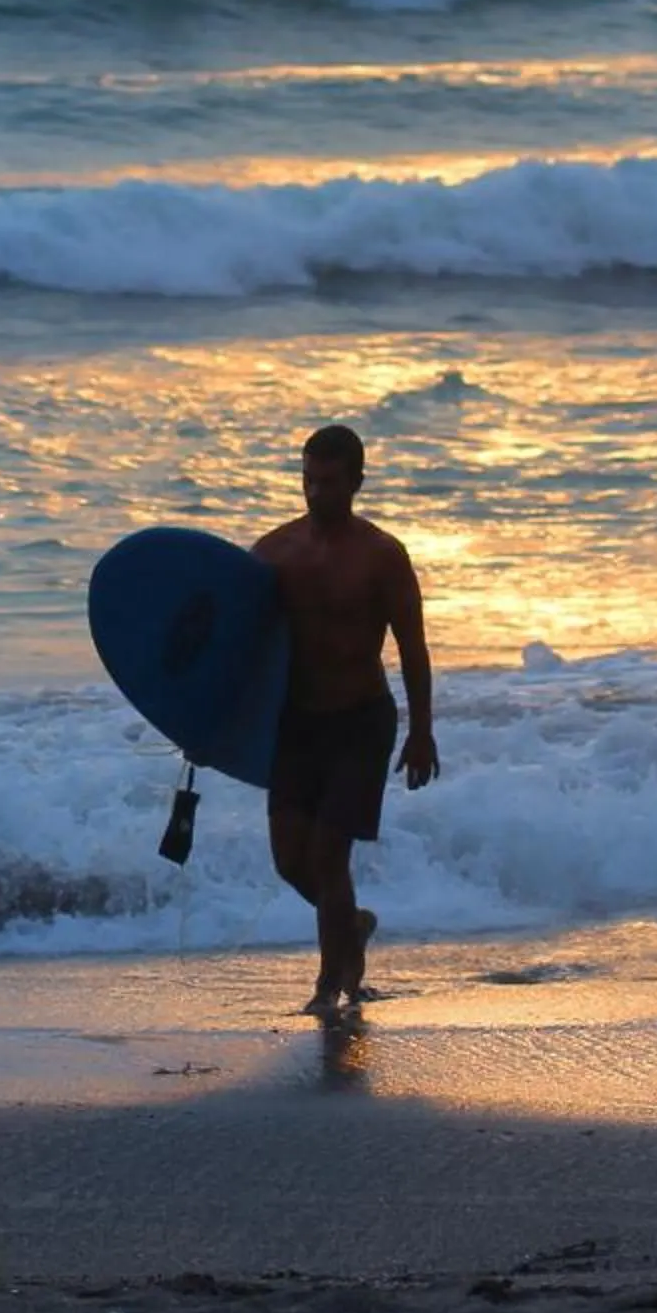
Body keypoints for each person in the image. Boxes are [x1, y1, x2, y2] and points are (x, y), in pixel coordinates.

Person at [252, 424, 437, 1017]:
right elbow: (236, 647)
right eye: (307, 480)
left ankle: (331, 984)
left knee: (329, 856)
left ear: (357, 481)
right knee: (290, 861)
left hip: (360, 721)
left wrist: (421, 729)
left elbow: (412, 647)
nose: (315, 493)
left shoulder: (381, 556)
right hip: (296, 724)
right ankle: (351, 924)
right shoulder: (273, 553)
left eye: (329, 482)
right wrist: (205, 725)